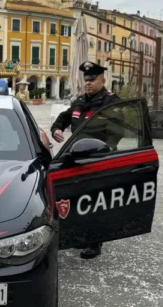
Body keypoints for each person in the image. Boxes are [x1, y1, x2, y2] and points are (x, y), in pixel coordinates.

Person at [50, 61, 122, 259]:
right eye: (86, 79)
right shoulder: (80, 101)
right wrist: (57, 128)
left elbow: (118, 131)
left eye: (93, 79)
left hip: (97, 159)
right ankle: (78, 235)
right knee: (75, 198)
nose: (88, 83)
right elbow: (64, 117)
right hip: (75, 157)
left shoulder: (111, 102)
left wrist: (104, 148)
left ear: (102, 80)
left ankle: (94, 242)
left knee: (94, 201)